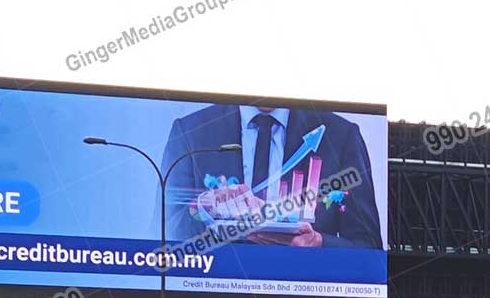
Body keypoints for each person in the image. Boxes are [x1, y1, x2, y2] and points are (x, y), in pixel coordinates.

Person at [159, 104, 382, 249]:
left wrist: (319, 243)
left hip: (302, 296)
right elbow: (161, 232)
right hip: (212, 292)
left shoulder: (340, 135)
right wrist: (201, 209)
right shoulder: (191, 131)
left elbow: (368, 246)